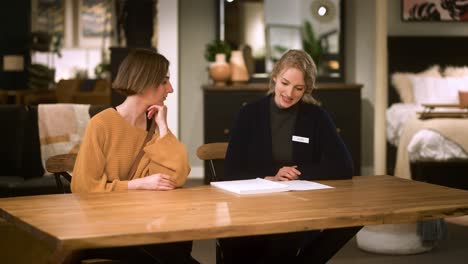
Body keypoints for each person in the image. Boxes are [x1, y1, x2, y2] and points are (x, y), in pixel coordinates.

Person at [220, 49, 360, 264]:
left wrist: (295, 173)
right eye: (284, 83)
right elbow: (230, 171)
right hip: (252, 207)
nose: (289, 93)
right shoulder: (249, 113)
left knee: (292, 235)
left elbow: (344, 167)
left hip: (298, 207)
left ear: (307, 89)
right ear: (275, 76)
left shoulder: (316, 117)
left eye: (298, 88)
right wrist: (268, 177)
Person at [71, 49, 197, 264]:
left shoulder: (153, 126)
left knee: (180, 242)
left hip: (142, 222)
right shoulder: (101, 124)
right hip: (105, 228)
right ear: (145, 81)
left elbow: (175, 178)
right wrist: (137, 184)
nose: (171, 89)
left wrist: (164, 127)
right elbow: (83, 187)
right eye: (165, 81)